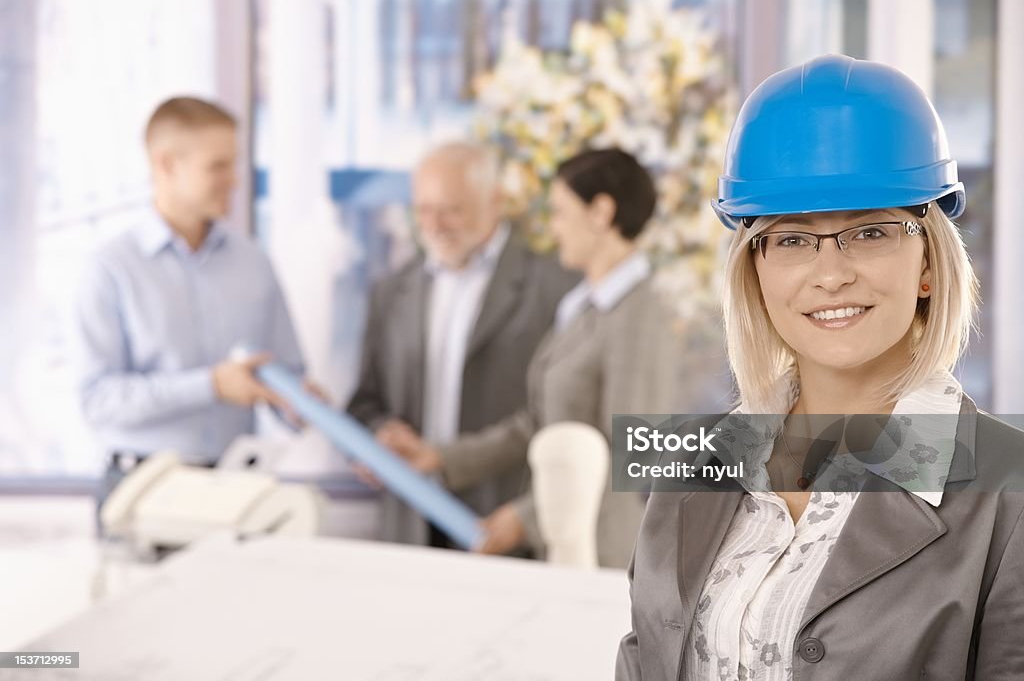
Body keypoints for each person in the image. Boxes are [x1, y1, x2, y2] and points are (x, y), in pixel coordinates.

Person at [616, 54, 1024, 680]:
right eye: (792, 239)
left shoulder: (1009, 496)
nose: (831, 275)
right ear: (755, 268)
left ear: (926, 262)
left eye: (870, 232)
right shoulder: (696, 466)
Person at [385, 148, 721, 568]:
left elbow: (631, 453)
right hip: (565, 544)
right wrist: (442, 457)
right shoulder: (583, 308)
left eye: (560, 212)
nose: (553, 227)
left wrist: (526, 518)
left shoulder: (639, 315)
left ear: (600, 212)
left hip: (603, 553)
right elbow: (538, 422)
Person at [71, 97, 311, 521]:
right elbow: (97, 400)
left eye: (233, 164)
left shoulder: (253, 262)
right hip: (141, 492)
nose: (234, 181)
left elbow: (286, 372)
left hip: (236, 489)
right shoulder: (111, 269)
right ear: (166, 165)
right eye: (217, 167)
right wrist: (210, 386)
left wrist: (298, 403)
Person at [346, 141, 578, 547]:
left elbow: (559, 417)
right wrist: (381, 435)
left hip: (506, 523)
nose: (434, 225)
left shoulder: (557, 289)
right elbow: (365, 402)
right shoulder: (391, 291)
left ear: (495, 202)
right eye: (423, 210)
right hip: (410, 523)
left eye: (452, 209)